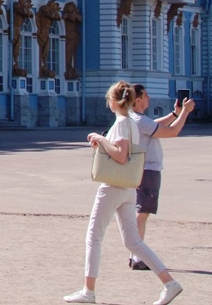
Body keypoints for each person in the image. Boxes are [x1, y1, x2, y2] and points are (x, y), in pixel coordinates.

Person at [64, 81, 183, 305]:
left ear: (115, 101)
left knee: (94, 237)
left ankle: (88, 291)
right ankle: (169, 283)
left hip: (113, 185)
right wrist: (104, 143)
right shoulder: (130, 122)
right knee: (133, 241)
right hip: (128, 187)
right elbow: (124, 151)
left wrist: (100, 139)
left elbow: (120, 155)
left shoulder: (121, 123)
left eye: (109, 99)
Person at [127, 85, 196, 271]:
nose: (149, 98)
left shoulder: (136, 119)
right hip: (147, 170)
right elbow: (172, 132)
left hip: (140, 169)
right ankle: (137, 256)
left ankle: (135, 253)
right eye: (146, 95)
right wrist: (185, 113)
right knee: (141, 214)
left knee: (140, 214)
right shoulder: (139, 120)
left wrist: (175, 113)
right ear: (138, 100)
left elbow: (155, 125)